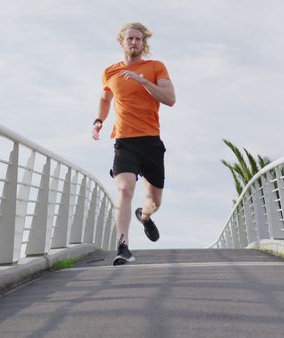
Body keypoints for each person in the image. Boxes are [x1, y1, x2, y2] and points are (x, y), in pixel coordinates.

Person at [92, 22, 176, 266]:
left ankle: (145, 216)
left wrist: (143, 82)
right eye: (130, 38)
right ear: (122, 42)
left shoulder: (155, 67)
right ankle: (123, 246)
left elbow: (170, 99)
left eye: (138, 39)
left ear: (144, 42)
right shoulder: (110, 72)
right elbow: (104, 98)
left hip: (150, 141)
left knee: (154, 202)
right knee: (125, 188)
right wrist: (99, 120)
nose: (134, 43)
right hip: (124, 141)